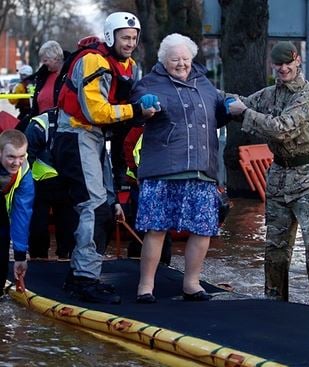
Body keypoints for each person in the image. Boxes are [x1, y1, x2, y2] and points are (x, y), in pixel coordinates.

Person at [52, 12, 159, 304]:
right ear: (111, 36)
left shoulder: (128, 65)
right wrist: (136, 111)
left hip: (94, 137)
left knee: (106, 205)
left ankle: (80, 274)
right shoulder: (93, 60)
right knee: (95, 206)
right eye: (125, 38)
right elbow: (94, 111)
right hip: (75, 135)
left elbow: (125, 98)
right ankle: (85, 279)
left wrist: (144, 101)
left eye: (134, 38)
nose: (130, 43)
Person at [131, 33, 229, 304]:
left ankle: (191, 283)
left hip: (201, 170)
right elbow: (137, 111)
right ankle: (145, 286)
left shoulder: (206, 85)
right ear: (164, 61)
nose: (182, 63)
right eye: (175, 59)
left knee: (202, 228)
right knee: (156, 228)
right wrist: (144, 108)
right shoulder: (149, 84)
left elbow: (217, 116)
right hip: (162, 170)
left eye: (186, 58)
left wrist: (228, 109)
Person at [226, 41, 309, 304]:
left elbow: (282, 128)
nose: (283, 69)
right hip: (279, 177)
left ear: (297, 62)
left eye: (287, 63)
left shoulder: (308, 97)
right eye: (278, 64)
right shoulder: (269, 95)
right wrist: (206, 93)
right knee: (275, 249)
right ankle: (274, 303)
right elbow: (242, 104)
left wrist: (244, 112)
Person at [23, 40, 74, 259]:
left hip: (61, 128)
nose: (44, 63)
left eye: (46, 59)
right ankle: (39, 255)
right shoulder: (43, 75)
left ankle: (65, 253)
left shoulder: (68, 73)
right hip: (41, 127)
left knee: (65, 208)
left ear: (56, 58)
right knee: (39, 209)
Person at [24, 108, 78, 259]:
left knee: (69, 228)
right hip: (39, 184)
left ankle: (66, 257)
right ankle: (38, 258)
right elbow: (26, 158)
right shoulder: (40, 124)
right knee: (38, 227)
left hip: (67, 184)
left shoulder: (82, 121)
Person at [123, 126, 172, 265]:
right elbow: (129, 148)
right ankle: (138, 258)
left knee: (160, 229)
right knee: (143, 226)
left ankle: (162, 261)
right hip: (141, 182)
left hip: (155, 182)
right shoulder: (140, 129)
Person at [0, 129, 34, 298]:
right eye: (11, 157)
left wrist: (20, 255)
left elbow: (22, 213)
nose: (16, 162)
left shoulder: (24, 170)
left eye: (21, 156)